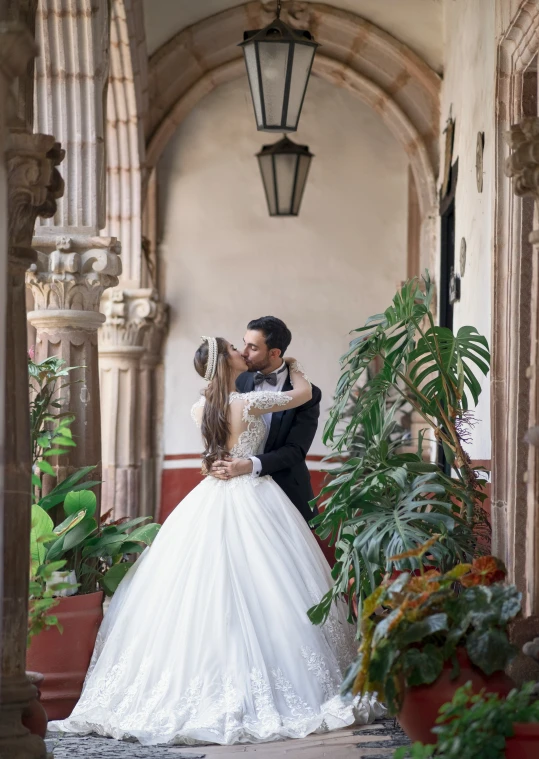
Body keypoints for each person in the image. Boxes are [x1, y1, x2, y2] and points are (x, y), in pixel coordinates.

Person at [49, 336, 381, 746]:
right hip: (254, 495)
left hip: (211, 496)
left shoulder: (199, 407)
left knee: (205, 587)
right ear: (225, 362)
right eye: (235, 349)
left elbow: (214, 451)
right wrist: (293, 365)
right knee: (268, 583)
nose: (243, 352)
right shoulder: (247, 403)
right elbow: (303, 395)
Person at [210, 316, 321, 524]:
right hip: (236, 493)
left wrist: (248, 465)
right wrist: (212, 461)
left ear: (274, 353)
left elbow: (296, 450)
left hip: (286, 492)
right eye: (243, 343)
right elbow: (216, 427)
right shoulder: (237, 379)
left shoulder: (308, 393)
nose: (244, 352)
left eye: (252, 347)